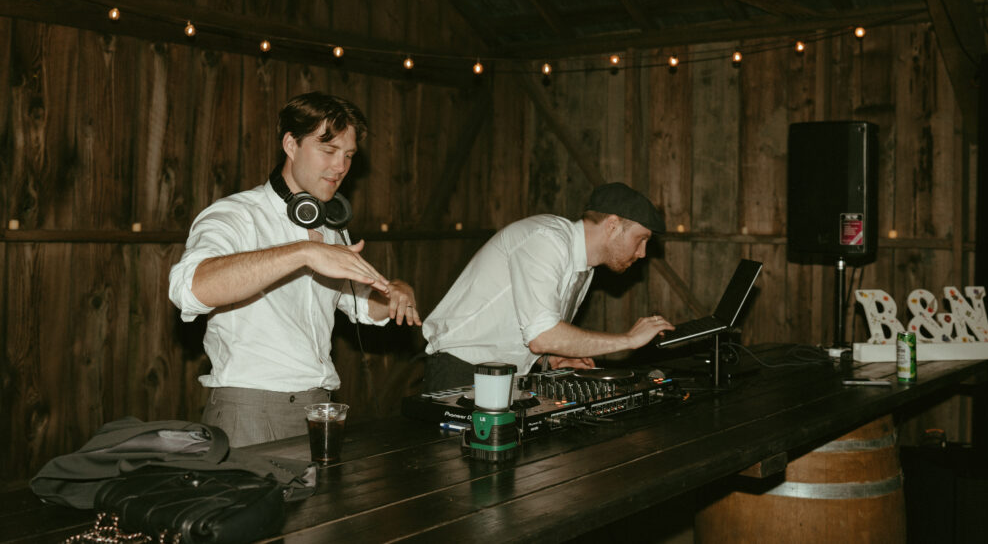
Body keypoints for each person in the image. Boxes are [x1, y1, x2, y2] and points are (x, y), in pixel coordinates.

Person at [169, 92, 420, 447]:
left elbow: (364, 305)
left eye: (348, 156)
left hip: (320, 408)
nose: (340, 167)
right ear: (290, 144)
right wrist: (303, 252)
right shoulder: (235, 215)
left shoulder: (332, 228)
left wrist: (396, 292)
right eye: (328, 150)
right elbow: (190, 288)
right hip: (251, 411)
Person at [421, 182, 675, 390]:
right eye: (640, 239)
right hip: (459, 371)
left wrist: (555, 355)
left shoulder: (583, 267)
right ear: (612, 225)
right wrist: (629, 340)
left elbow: (531, 330)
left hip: (500, 378)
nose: (642, 253)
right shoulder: (546, 240)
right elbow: (542, 336)